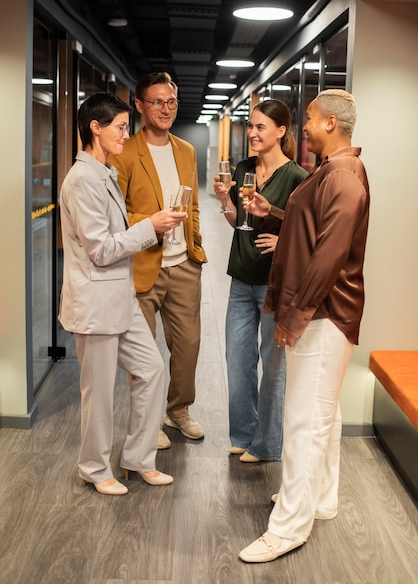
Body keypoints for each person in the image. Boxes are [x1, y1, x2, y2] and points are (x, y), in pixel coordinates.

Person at [238, 88, 370, 561]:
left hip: (322, 314)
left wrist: (292, 319)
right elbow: (309, 226)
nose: (304, 128)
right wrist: (271, 212)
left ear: (330, 124)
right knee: (324, 418)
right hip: (323, 312)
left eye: (310, 119)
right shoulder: (332, 173)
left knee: (302, 423)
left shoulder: (344, 177)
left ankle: (289, 527)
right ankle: (319, 499)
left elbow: (328, 256)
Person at [59, 92, 187, 494]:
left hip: (121, 298)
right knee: (97, 394)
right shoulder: (81, 180)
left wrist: (151, 225)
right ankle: (95, 470)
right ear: (94, 128)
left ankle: (138, 458)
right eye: (119, 126)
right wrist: (152, 226)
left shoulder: (105, 172)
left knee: (151, 369)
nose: (126, 133)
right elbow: (100, 250)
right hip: (96, 303)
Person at [110, 72, 207, 450]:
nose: (165, 109)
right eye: (156, 102)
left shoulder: (186, 150)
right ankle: (148, 422)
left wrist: (195, 246)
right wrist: (152, 224)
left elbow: (193, 205)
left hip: (183, 264)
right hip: (143, 264)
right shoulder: (124, 153)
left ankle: (178, 411)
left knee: (188, 346)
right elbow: (115, 214)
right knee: (144, 351)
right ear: (139, 105)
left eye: (171, 101)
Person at [214, 99, 307, 463]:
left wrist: (283, 240)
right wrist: (225, 202)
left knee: (272, 366)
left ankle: (267, 445)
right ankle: (243, 434)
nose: (252, 133)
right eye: (250, 126)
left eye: (261, 127)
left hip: (274, 284)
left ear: (281, 132)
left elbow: (308, 232)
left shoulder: (298, 177)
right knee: (237, 360)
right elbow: (238, 222)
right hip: (241, 277)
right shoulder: (243, 168)